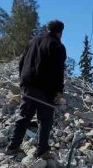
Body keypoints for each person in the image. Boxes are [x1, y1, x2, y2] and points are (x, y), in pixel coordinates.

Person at [6, 19, 67, 158]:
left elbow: (22, 62)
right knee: (45, 119)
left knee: (24, 116)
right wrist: (59, 90)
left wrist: (22, 82)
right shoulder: (57, 45)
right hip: (45, 88)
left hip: (28, 85)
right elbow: (58, 70)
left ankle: (13, 146)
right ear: (60, 32)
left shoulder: (33, 42)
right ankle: (42, 150)